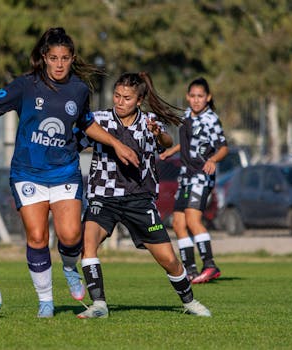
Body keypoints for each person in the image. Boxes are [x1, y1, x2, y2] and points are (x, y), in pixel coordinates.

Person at [0, 27, 139, 318]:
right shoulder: (27, 85)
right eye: (53, 57)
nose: (59, 64)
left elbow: (87, 125)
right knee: (37, 237)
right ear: (44, 58)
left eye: (65, 58)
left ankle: (69, 267)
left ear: (72, 59)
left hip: (65, 171)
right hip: (27, 172)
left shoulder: (79, 90)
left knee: (70, 236)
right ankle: (46, 301)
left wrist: (117, 144)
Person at [76, 72, 211, 318]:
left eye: (127, 98)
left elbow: (167, 142)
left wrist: (158, 133)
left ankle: (190, 302)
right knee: (88, 245)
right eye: (117, 95)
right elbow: (77, 140)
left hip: (139, 199)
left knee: (169, 260)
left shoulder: (148, 121)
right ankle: (99, 305)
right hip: (103, 197)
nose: (120, 101)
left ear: (138, 101)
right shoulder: (99, 120)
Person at [159, 77, 228, 284]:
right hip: (186, 176)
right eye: (193, 96)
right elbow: (189, 143)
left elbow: (223, 147)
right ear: (188, 97)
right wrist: (171, 150)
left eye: (200, 96)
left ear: (208, 98)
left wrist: (213, 160)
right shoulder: (188, 115)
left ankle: (210, 265)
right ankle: (189, 270)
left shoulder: (211, 119)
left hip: (201, 175)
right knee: (179, 224)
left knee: (192, 220)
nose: (196, 100)